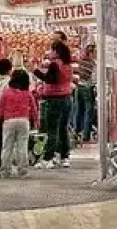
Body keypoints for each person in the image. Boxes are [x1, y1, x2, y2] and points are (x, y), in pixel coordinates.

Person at [33, 39, 73, 168]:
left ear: (56, 52)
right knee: (63, 128)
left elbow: (50, 79)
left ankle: (48, 158)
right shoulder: (68, 65)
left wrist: (36, 71)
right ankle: (64, 156)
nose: (49, 53)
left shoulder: (54, 64)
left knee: (52, 129)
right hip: (67, 98)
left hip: (55, 99)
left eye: (51, 50)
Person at [0, 69, 39, 178]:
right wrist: (36, 121)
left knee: (7, 146)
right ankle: (23, 170)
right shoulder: (27, 93)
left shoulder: (6, 93)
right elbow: (34, 108)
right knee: (22, 146)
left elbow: (0, 108)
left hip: (9, 121)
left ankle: (5, 171)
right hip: (24, 121)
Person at [74, 43, 97, 143]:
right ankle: (86, 135)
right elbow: (93, 78)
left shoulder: (81, 62)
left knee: (79, 111)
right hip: (88, 87)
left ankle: (77, 132)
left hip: (79, 87)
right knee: (89, 111)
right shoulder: (92, 63)